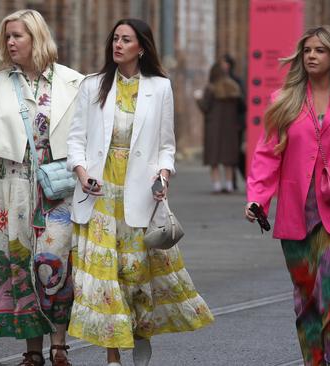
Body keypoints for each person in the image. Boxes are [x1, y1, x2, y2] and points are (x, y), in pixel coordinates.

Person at [66, 19, 214, 366]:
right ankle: (113, 356)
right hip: (99, 196)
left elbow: (166, 146)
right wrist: (82, 173)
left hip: (140, 197)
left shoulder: (160, 87)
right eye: (115, 38)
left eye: (126, 40)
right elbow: (75, 140)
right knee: (107, 281)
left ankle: (142, 333)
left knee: (135, 276)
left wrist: (163, 176)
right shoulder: (92, 86)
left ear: (141, 47)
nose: (118, 44)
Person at [245, 25, 330, 366]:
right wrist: (257, 199)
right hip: (295, 210)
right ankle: (314, 361)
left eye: (319, 50)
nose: (311, 56)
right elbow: (267, 154)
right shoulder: (284, 101)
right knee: (305, 295)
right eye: (307, 50)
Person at [0, 9, 83, 366]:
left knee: (56, 265)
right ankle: (32, 350)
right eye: (8, 37)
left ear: (36, 37)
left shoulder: (73, 82)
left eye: (18, 35)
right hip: (8, 188)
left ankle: (59, 345)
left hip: (57, 189)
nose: (10, 42)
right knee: (19, 267)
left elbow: (84, 139)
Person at [195, 62, 243, 193]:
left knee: (214, 159)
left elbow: (205, 107)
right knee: (228, 160)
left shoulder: (211, 89)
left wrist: (198, 98)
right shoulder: (234, 88)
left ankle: (216, 186)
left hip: (214, 129)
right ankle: (229, 185)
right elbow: (241, 108)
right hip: (230, 129)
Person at [221, 54, 247, 190]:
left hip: (237, 122)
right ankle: (233, 181)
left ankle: (245, 178)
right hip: (225, 122)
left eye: (224, 63)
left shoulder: (236, 80)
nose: (222, 66)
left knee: (236, 153)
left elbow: (244, 103)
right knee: (229, 153)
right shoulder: (219, 80)